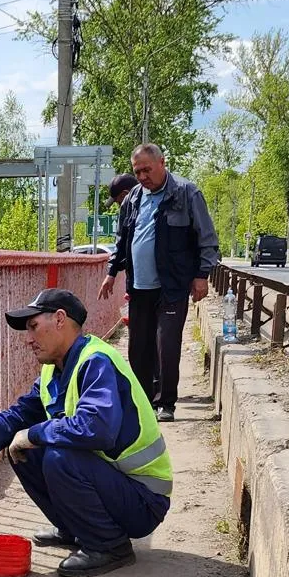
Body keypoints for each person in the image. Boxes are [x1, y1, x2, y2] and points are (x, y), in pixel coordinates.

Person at [0, 288, 173, 577]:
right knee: (24, 451)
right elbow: (17, 417)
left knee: (58, 455)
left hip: (144, 499)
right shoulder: (52, 370)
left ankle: (109, 545)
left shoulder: (96, 361)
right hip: (117, 485)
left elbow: (96, 429)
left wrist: (33, 434)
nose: (28, 339)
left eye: (33, 326)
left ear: (59, 319)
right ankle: (76, 529)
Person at [98, 143, 220, 422]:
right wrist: (111, 272)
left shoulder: (186, 193)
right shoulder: (133, 200)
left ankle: (166, 402)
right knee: (139, 348)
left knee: (166, 344)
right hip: (139, 287)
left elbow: (208, 239)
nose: (142, 177)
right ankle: (143, 402)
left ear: (162, 162)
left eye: (146, 170)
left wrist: (202, 276)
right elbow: (122, 241)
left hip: (172, 286)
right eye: (137, 171)